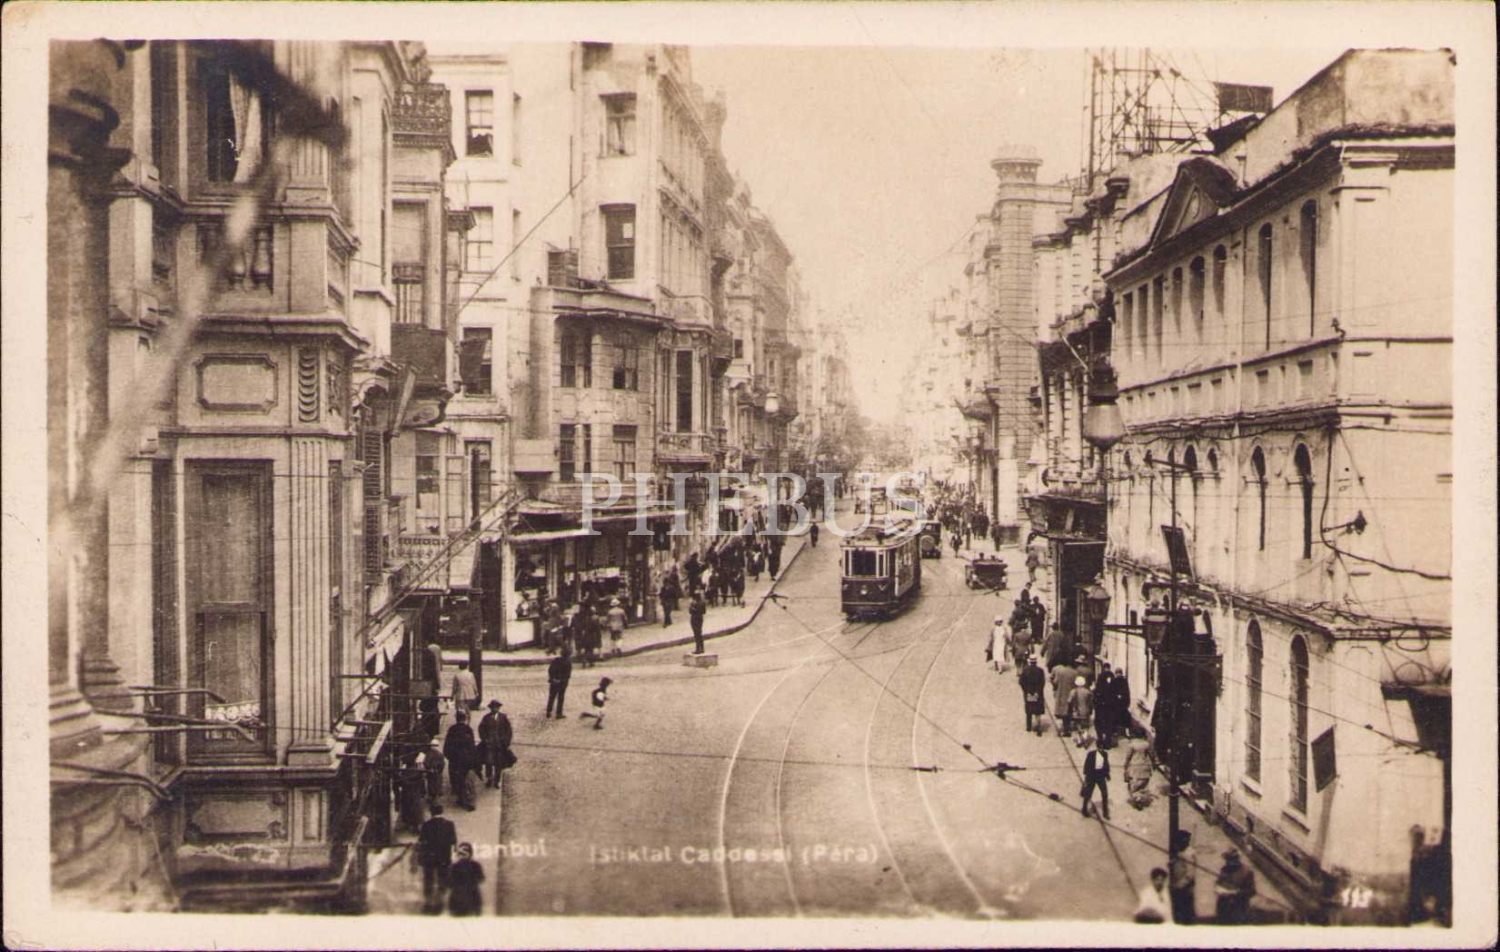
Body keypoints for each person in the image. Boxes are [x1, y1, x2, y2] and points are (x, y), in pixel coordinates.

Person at [416, 802, 456, 912]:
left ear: (431, 813)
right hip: (444, 857)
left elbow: (421, 841)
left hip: (430, 857)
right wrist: (451, 856)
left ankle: (428, 901)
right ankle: (440, 900)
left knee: (428, 879)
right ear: (442, 812)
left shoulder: (426, 825)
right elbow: (453, 841)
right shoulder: (450, 824)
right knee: (442, 878)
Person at [443, 711, 477, 811]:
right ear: (464, 719)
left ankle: (460, 798)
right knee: (467, 780)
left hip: (455, 760)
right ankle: (468, 801)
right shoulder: (468, 729)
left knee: (456, 779)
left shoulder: (452, 729)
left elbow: (447, 745)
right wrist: (472, 759)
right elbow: (472, 746)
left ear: (456, 719)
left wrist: (449, 756)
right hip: (465, 760)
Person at [1213, 849, 1257, 924]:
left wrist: (1235, 892)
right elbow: (1218, 883)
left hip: (1239, 907)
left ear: (1237, 859)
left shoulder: (1247, 872)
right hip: (1223, 907)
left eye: (1231, 859)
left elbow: (1252, 891)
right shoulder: (1224, 869)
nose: (1228, 862)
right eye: (1227, 859)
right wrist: (1217, 888)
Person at [477, 700, 512, 789]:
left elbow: (508, 731)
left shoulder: (503, 718)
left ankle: (497, 780)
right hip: (489, 745)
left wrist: (506, 742)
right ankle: (489, 778)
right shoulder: (486, 718)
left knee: (498, 763)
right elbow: (481, 729)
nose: (494, 709)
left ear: (499, 708)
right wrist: (485, 739)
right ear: (490, 708)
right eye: (493, 708)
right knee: (488, 762)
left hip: (499, 745)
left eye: (496, 707)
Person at [447, 842, 484, 916]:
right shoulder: (475, 865)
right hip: (472, 901)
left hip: (457, 902)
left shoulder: (455, 866)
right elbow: (481, 878)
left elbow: (449, 883)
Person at [1169, 831, 1198, 924]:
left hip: (1185, 887)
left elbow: (1190, 874)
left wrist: (1179, 885)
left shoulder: (1189, 854)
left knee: (1186, 911)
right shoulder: (1181, 852)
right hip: (1179, 885)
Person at [1080, 739, 1111, 820]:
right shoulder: (1091, 754)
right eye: (1100, 748)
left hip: (1100, 776)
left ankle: (1105, 812)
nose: (1101, 749)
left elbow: (1106, 764)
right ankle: (1084, 809)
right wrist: (1087, 777)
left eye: (1102, 748)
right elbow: (1087, 765)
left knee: (1105, 794)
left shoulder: (1105, 754)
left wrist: (1107, 774)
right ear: (1097, 747)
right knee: (1088, 793)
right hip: (1092, 776)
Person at [1123, 729, 1155, 809]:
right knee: (1143, 783)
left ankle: (1137, 799)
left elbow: (1128, 757)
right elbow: (1152, 755)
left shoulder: (1132, 745)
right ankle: (1140, 798)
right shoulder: (1147, 744)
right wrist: (1153, 764)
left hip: (1134, 767)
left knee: (1134, 783)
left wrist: (1125, 765)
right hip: (1144, 766)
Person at [1050, 657, 1079, 736]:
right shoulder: (1075, 673)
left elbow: (1055, 682)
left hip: (1062, 693)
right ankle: (1068, 728)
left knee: (1064, 712)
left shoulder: (1060, 672)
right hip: (1071, 693)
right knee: (1070, 711)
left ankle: (1066, 729)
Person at [1019, 655, 1047, 735]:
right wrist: (1038, 691)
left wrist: (1026, 690)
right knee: (1037, 710)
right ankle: (1038, 726)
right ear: (1036, 662)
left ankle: (1029, 726)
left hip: (1028, 693)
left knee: (1029, 709)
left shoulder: (1025, 670)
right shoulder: (1040, 670)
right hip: (1038, 693)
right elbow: (1042, 683)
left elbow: (1021, 682)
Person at [1069, 675, 1096, 748]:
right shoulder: (1087, 692)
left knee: (1078, 726)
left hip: (1076, 712)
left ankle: (1079, 740)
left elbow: (1069, 701)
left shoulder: (1073, 691)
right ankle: (1085, 737)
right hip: (1085, 711)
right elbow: (1091, 702)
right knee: (1086, 726)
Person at [546, 649, 573, 719]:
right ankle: (559, 713)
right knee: (560, 698)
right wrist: (562, 680)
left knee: (551, 697)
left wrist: (552, 678)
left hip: (554, 682)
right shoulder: (568, 663)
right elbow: (568, 675)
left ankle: (548, 712)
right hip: (562, 683)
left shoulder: (556, 660)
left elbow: (550, 670)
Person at [419, 739, 445, 803]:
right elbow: (442, 764)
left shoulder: (430, 754)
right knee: (435, 784)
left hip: (432, 772)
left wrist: (428, 768)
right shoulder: (439, 754)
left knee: (433, 785)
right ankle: (435, 797)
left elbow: (426, 763)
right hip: (436, 772)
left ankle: (433, 797)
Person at [688, 588, 708, 654]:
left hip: (694, 618)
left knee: (696, 634)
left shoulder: (693, 603)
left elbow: (690, 611)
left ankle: (698, 649)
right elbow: (704, 612)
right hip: (700, 618)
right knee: (699, 633)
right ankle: (701, 648)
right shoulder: (703, 602)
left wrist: (693, 608)